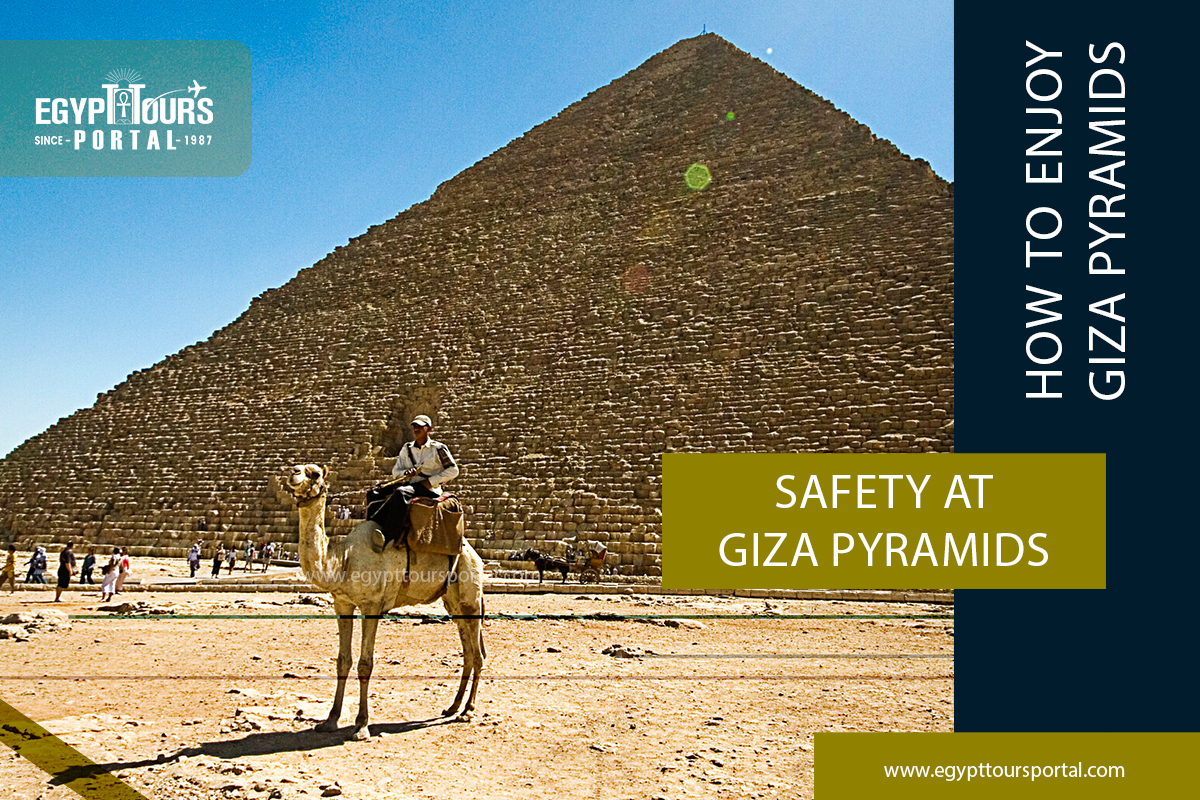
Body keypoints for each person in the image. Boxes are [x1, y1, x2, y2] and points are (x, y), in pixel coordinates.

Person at [365, 414, 459, 548]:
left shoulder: (438, 448)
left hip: (428, 489)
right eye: (414, 426)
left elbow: (453, 470)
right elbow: (395, 472)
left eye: (420, 426)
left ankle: (388, 536)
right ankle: (374, 527)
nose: (416, 429)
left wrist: (431, 481)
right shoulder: (406, 448)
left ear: (428, 429)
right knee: (373, 492)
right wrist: (406, 473)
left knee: (401, 493)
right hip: (409, 484)